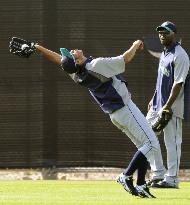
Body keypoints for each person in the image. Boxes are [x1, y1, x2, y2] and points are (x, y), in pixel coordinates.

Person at [33, 40, 159, 198]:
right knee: (151, 143)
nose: (71, 51)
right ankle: (126, 176)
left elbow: (60, 60)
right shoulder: (95, 65)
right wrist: (135, 45)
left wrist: (39, 48)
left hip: (117, 115)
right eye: (71, 55)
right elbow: (125, 59)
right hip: (125, 109)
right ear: (77, 61)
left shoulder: (77, 73)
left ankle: (140, 184)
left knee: (144, 146)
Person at [146, 21, 190, 188]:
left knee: (172, 143)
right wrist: (153, 98)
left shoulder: (180, 55)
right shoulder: (165, 53)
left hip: (172, 108)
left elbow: (178, 83)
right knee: (147, 138)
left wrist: (168, 106)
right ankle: (157, 173)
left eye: (166, 32)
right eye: (160, 32)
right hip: (157, 105)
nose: (162, 34)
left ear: (174, 34)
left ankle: (172, 179)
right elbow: (160, 81)